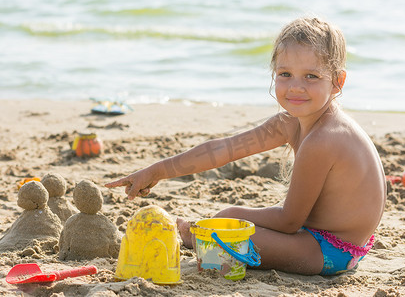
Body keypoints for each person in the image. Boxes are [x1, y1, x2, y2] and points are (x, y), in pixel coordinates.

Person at [105, 16, 386, 276]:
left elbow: (289, 221)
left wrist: (232, 214)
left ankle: (193, 235)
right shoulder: (291, 123)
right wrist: (157, 170)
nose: (295, 87)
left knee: (226, 228)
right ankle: (199, 231)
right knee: (230, 222)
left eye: (311, 76)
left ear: (337, 82)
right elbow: (224, 149)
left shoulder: (323, 139)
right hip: (322, 237)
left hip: (330, 251)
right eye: (285, 74)